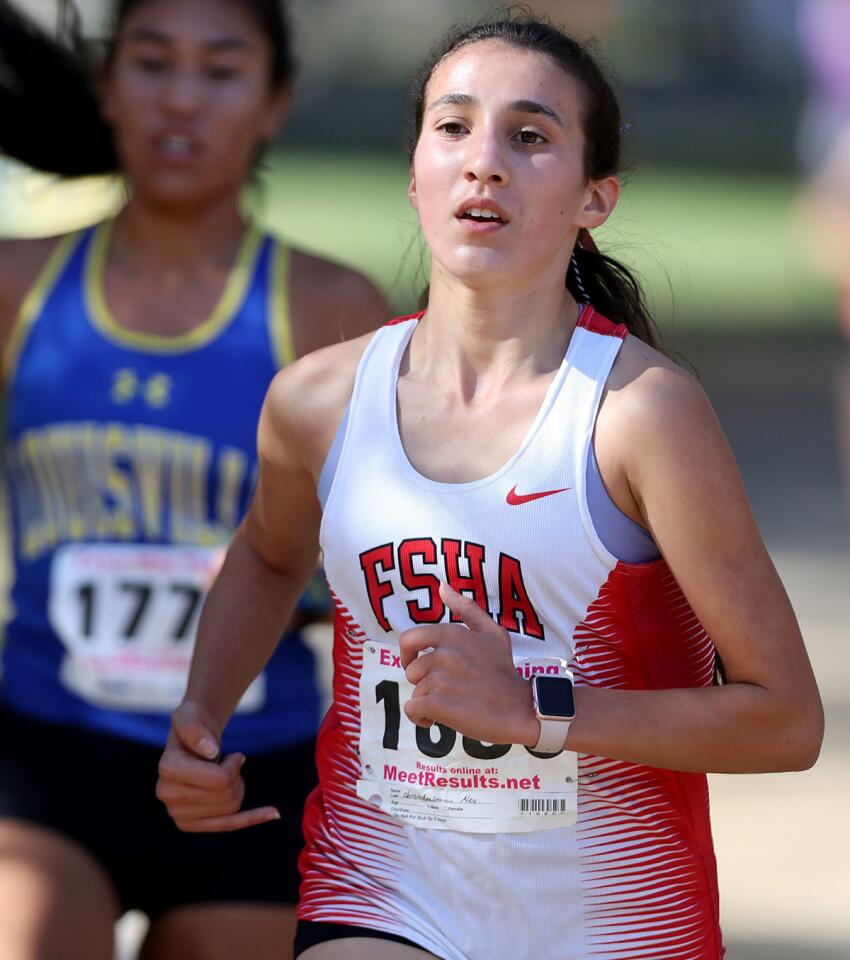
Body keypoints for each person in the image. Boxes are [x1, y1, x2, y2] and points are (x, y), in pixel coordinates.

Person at [158, 12, 824, 960]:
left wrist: (535, 712)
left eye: (530, 135)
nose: (484, 162)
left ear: (598, 198)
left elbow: (786, 719)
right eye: (454, 126)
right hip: (381, 888)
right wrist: (202, 714)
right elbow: (269, 556)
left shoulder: (641, 414)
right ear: (416, 172)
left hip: (615, 924)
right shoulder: (316, 400)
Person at [0, 1, 388, 958]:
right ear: (107, 87)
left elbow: (395, 563)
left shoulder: (330, 307)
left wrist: (278, 590)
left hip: (252, 770)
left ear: (273, 104)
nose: (182, 99)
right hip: (44, 747)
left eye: (220, 72)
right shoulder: (16, 286)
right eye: (152, 64)